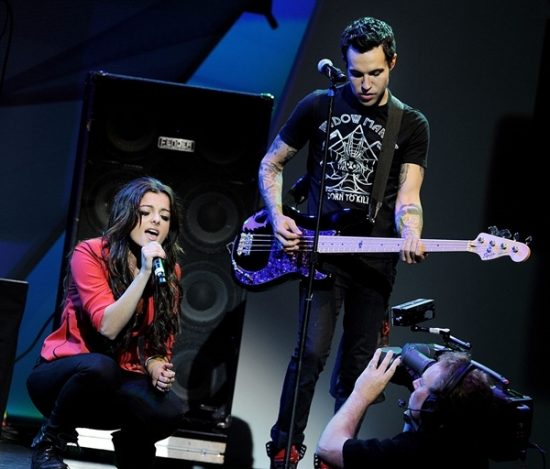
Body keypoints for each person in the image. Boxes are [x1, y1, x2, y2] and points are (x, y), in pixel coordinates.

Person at [258, 16, 429, 468]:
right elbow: (271, 165)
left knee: (357, 370)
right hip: (321, 253)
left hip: (374, 261)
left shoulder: (410, 124)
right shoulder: (319, 105)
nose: (365, 83)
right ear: (343, 66)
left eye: (375, 72)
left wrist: (410, 232)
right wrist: (277, 218)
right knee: (310, 353)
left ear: (392, 63)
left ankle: (335, 456)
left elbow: (408, 197)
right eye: (356, 73)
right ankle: (284, 450)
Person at [26, 176, 186, 469]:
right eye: (145, 212)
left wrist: (155, 364)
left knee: (172, 409)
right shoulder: (89, 254)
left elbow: (158, 342)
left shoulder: (170, 270)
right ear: (127, 215)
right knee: (100, 367)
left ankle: (130, 445)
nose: (156, 221)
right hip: (64, 378)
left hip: (116, 383)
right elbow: (107, 326)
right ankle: (48, 443)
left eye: (164, 216)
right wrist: (143, 274)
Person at [316, 348, 494, 468]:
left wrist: (360, 394)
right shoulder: (474, 449)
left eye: (422, 384)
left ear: (434, 406)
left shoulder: (410, 452)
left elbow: (327, 447)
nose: (414, 383)